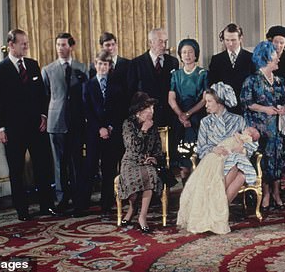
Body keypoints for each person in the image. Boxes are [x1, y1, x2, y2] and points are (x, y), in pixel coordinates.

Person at [0, 29, 56, 221]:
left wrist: (43, 115)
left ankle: (47, 206)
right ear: (11, 45)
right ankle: (22, 210)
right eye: (22, 43)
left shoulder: (33, 65)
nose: (26, 46)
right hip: (12, 130)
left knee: (43, 167)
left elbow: (42, 95)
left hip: (37, 127)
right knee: (16, 170)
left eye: (27, 43)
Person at [177, 126, 260, 234]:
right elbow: (201, 148)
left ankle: (218, 214)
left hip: (236, 158)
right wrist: (214, 149)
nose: (248, 128)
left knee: (241, 175)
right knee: (232, 169)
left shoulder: (238, 122)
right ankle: (214, 212)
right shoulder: (206, 122)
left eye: (251, 130)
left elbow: (247, 148)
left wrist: (241, 142)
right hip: (217, 157)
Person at [241, 41, 285, 210]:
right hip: (261, 129)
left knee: (277, 160)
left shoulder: (279, 80)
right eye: (274, 56)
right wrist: (265, 109)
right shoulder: (252, 81)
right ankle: (266, 193)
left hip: (277, 129)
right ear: (265, 59)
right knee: (264, 162)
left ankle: (277, 192)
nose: (278, 59)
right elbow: (247, 102)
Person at [41, 33, 88, 213]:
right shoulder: (48, 69)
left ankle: (78, 199)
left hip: (76, 122)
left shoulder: (82, 68)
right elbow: (44, 97)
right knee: (59, 163)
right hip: (56, 122)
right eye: (58, 45)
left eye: (64, 45)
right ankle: (61, 199)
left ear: (71, 47)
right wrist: (44, 118)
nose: (60, 48)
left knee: (76, 162)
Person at [75, 50, 124, 217]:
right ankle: (82, 204)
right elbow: (87, 111)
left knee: (109, 168)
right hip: (94, 133)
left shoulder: (117, 87)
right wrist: (99, 128)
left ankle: (106, 204)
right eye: (100, 64)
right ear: (95, 65)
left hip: (111, 133)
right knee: (89, 167)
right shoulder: (87, 86)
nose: (103, 67)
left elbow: (119, 110)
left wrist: (110, 127)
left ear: (110, 66)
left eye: (106, 64)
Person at [117, 93, 164, 233]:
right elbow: (132, 146)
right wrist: (144, 130)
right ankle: (132, 208)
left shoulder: (153, 126)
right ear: (138, 112)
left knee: (150, 175)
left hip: (146, 162)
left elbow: (158, 149)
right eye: (148, 109)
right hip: (130, 161)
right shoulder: (128, 124)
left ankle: (142, 216)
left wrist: (154, 158)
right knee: (132, 180)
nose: (152, 112)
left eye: (152, 108)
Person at [168, 39, 208, 182]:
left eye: (190, 52)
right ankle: (186, 191)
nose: (187, 55)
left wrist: (188, 114)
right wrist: (181, 115)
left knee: (198, 158)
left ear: (196, 54)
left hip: (197, 117)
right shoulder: (175, 75)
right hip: (180, 119)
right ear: (180, 54)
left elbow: (204, 100)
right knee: (183, 161)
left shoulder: (203, 73)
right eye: (184, 52)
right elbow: (171, 98)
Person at [128, 28, 180, 128]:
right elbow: (131, 93)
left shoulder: (173, 62)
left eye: (166, 42)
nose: (164, 46)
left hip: (168, 117)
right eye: (160, 42)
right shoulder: (136, 63)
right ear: (150, 42)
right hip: (146, 118)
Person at [208, 23, 255, 114]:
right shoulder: (216, 60)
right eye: (227, 40)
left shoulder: (251, 58)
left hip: (246, 108)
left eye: (233, 40)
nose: (230, 43)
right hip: (223, 109)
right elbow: (212, 85)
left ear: (241, 39)